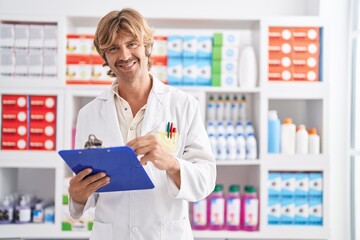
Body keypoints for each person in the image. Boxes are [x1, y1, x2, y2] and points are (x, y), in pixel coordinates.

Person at [68, 7, 216, 240]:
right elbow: (87, 192)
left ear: (147, 46)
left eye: (132, 44)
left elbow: (206, 179)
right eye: (113, 48)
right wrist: (77, 195)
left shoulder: (183, 104)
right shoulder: (89, 114)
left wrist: (171, 163)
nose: (124, 55)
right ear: (104, 56)